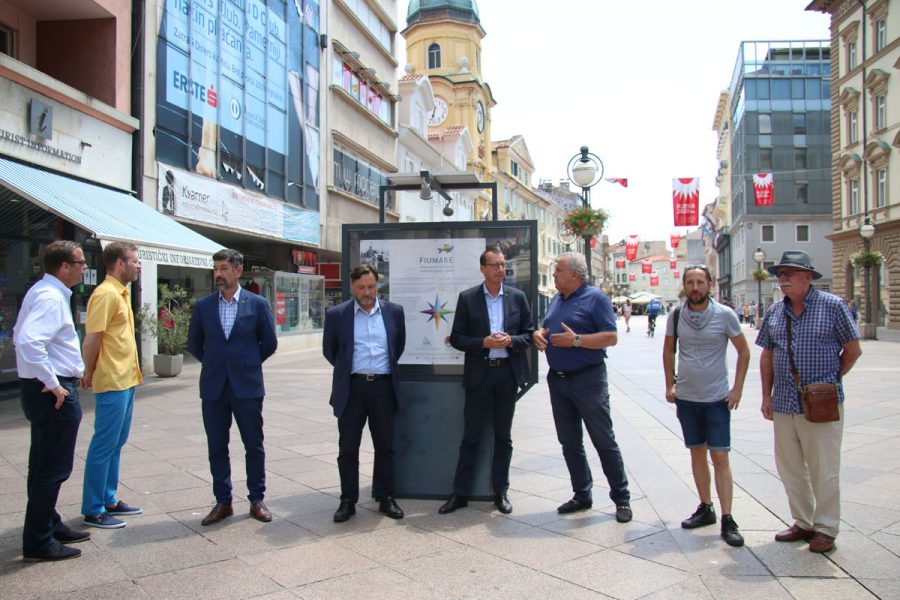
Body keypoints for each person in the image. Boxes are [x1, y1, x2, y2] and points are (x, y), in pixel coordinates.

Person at [756, 250, 861, 554]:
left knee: (823, 467)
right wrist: (766, 395)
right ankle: (803, 521)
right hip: (785, 401)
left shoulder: (833, 306)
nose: (783, 279)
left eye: (789, 273)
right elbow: (767, 355)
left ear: (807, 277)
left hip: (821, 403)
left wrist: (830, 381)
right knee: (789, 465)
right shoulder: (776, 311)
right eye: (780, 274)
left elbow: (852, 349)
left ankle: (826, 527)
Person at [533, 253, 632, 523]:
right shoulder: (556, 299)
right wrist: (539, 334)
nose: (554, 274)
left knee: (603, 440)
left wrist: (576, 340)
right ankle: (582, 494)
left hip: (588, 379)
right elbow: (547, 327)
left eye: (558, 270)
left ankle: (621, 499)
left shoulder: (596, 299)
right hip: (559, 379)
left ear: (574, 275)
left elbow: (611, 337)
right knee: (569, 442)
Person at [439, 248, 534, 515]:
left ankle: (500, 491)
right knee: (471, 436)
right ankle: (460, 493)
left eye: (503, 265)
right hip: (480, 374)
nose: (500, 270)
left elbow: (528, 334)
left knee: (503, 437)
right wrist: (484, 342)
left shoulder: (517, 298)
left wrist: (510, 341)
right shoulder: (468, 298)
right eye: (495, 265)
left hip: (506, 373)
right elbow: (457, 338)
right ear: (482, 268)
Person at [188, 249, 278, 526]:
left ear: (238, 271)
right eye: (216, 268)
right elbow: (194, 344)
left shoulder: (257, 303)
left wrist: (246, 363)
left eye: (224, 268)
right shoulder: (203, 306)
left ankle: (256, 499)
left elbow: (270, 343)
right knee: (217, 445)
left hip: (247, 386)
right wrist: (218, 364)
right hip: (214, 387)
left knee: (254, 444)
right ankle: (222, 501)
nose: (218, 274)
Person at [662, 265, 750, 547]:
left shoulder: (725, 315)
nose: (695, 287)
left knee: (720, 457)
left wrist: (736, 388)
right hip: (687, 398)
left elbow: (744, 351)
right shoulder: (676, 315)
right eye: (690, 282)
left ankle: (728, 517)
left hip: (716, 399)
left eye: (700, 282)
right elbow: (668, 349)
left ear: (709, 284)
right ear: (684, 286)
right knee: (697, 453)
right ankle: (706, 507)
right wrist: (669, 384)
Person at [13, 241, 90, 561]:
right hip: (51, 393)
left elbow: (20, 333)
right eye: (80, 262)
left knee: (42, 464)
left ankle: (50, 523)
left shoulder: (44, 292)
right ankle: (39, 540)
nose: (85, 267)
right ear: (64, 267)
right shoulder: (49, 296)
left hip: (41, 390)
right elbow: (28, 340)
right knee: (52, 469)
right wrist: (54, 383)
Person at [323, 266, 406, 523]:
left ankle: (385, 497)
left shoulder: (394, 312)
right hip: (352, 388)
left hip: (383, 387)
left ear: (377, 286)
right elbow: (331, 351)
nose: (367, 293)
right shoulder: (337, 315)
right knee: (348, 447)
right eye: (361, 288)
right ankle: (348, 500)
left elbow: (398, 346)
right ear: (352, 287)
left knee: (385, 446)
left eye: (371, 287)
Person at [81, 242, 144, 529]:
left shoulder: (121, 293)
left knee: (116, 444)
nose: (138, 265)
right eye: (134, 260)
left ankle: (108, 497)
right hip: (112, 381)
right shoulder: (106, 294)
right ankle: (93, 509)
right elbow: (93, 338)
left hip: (126, 380)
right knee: (103, 446)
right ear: (120, 263)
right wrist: (88, 372)